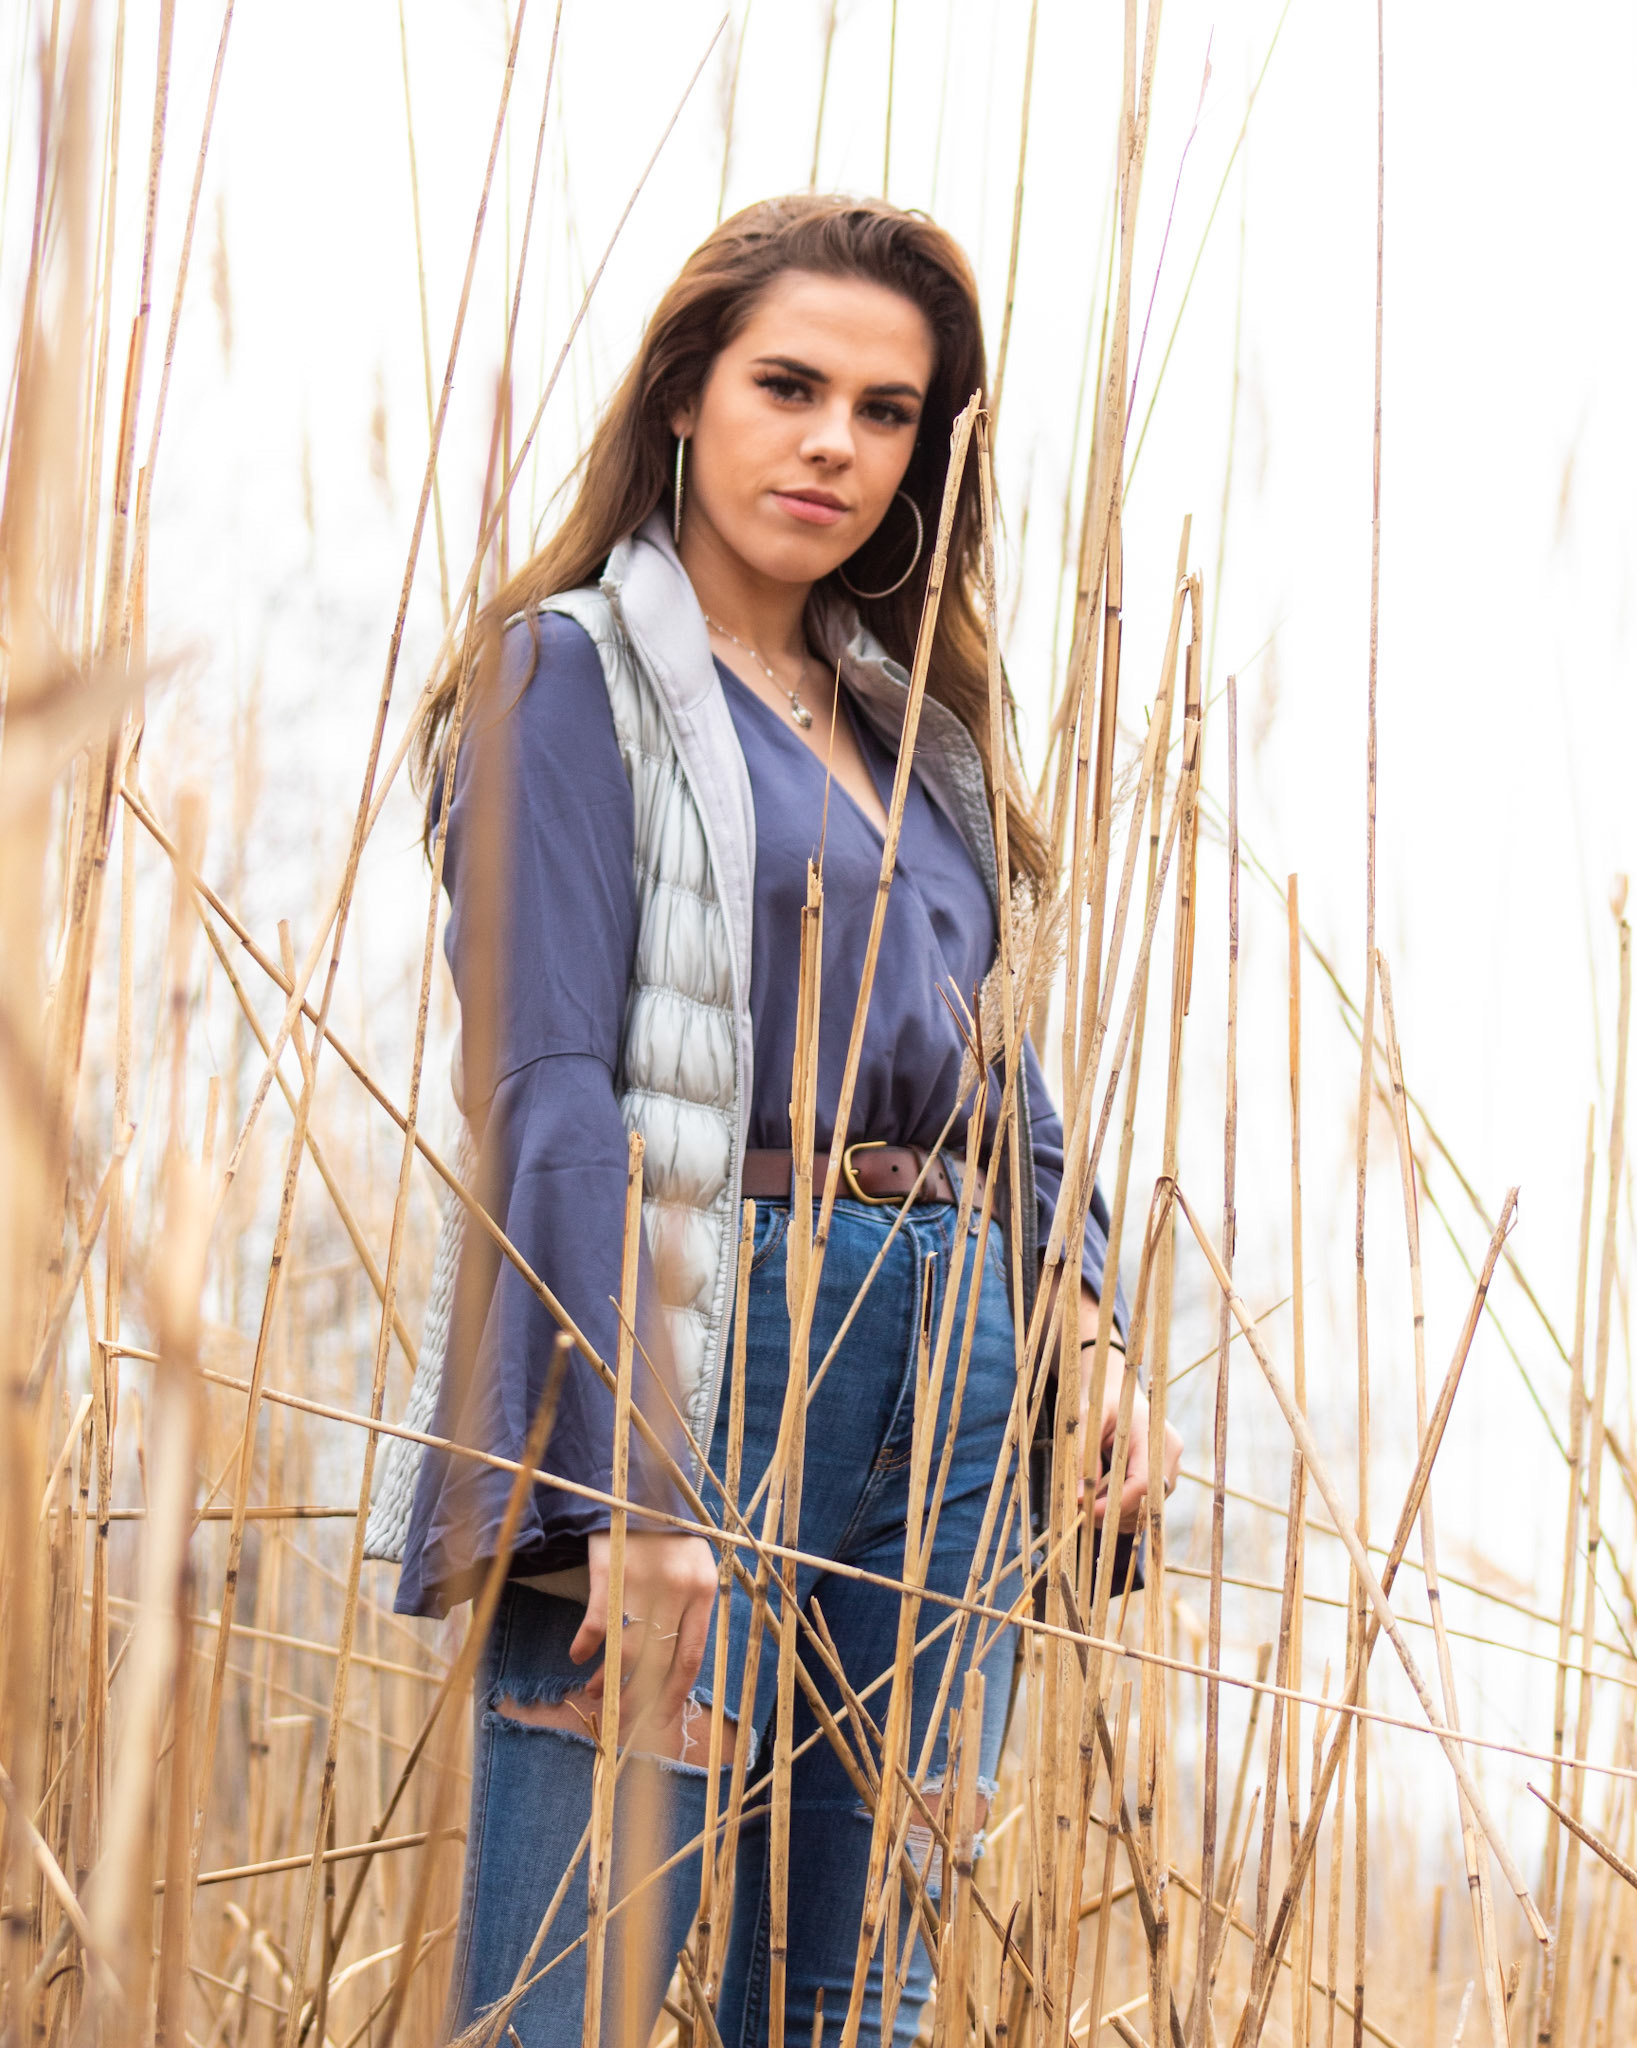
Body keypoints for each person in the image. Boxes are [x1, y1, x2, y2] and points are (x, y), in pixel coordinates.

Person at [393, 194, 1183, 2048]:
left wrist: (1080, 1328)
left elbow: (993, 1083)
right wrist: (627, 1477)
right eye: (789, 387)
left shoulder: (918, 729)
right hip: (703, 1331)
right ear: (684, 394)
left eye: (886, 411)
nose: (835, 442)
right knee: (569, 1995)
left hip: (952, 1374)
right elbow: (547, 1088)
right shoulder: (565, 674)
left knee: (852, 2005)